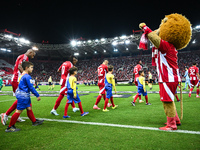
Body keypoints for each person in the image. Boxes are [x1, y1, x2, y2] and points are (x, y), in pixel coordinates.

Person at [5, 62, 44, 132]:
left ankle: (34, 122)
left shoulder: (21, 75)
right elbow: (31, 87)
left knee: (29, 108)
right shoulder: (27, 76)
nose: (32, 69)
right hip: (24, 95)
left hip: (23, 94)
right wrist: (37, 95)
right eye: (31, 67)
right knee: (18, 111)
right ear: (26, 68)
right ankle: (10, 127)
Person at [1, 49, 36, 125]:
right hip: (18, 80)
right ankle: (6, 114)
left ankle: (17, 116)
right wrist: (25, 76)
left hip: (16, 79)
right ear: (30, 53)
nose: (32, 57)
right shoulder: (24, 57)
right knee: (22, 98)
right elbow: (20, 66)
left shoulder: (21, 56)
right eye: (33, 55)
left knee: (21, 99)